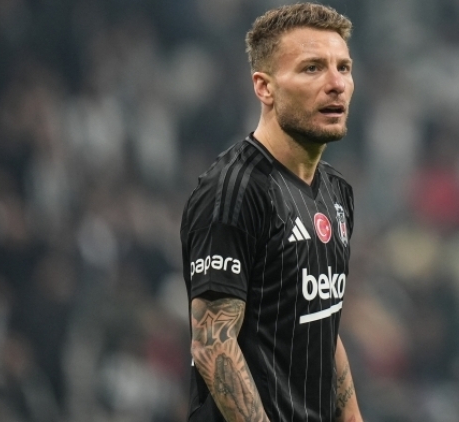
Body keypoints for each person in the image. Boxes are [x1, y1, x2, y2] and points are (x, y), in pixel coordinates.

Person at [180, 3, 363, 422]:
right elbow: (212, 344)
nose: (336, 84)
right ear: (264, 87)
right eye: (312, 68)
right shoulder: (234, 191)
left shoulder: (337, 191)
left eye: (344, 67)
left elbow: (323, 323)